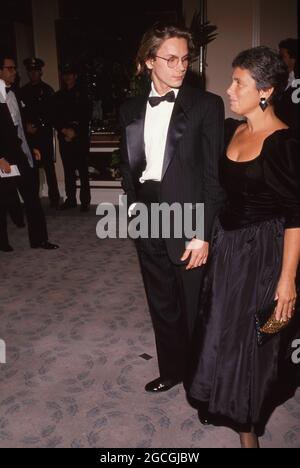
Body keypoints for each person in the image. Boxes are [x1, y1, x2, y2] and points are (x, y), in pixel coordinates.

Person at [186, 46, 300, 448]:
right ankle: (226, 402)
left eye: (239, 82)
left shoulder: (283, 142)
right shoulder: (236, 129)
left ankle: (247, 428)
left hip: (262, 252)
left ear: (265, 90)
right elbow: (219, 191)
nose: (229, 89)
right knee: (221, 329)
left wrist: (287, 280)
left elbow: (295, 217)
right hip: (228, 246)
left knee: (254, 342)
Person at [120, 24, 224, 393]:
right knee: (161, 299)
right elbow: (129, 167)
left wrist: (202, 233)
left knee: (196, 306)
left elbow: (214, 179)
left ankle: (204, 383)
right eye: (170, 59)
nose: (181, 67)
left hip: (188, 216)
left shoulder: (206, 105)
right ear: (149, 61)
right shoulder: (130, 108)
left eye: (184, 59)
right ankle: (172, 369)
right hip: (146, 214)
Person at [0, 54, 59, 251]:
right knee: (3, 200)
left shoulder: (15, 94)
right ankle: (2, 242)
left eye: (14, 68)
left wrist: (30, 146)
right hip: (3, 155)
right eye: (9, 68)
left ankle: (39, 239)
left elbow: (20, 127)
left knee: (32, 197)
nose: (14, 71)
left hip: (19, 152)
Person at [20, 57, 60, 208]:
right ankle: (34, 199)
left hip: (43, 134)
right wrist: (26, 126)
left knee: (49, 168)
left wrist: (38, 124)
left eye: (36, 71)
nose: (33, 74)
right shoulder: (22, 91)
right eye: (30, 71)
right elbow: (20, 114)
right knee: (32, 168)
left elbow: (52, 114)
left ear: (40, 72)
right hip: (29, 136)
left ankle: (54, 198)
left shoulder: (47, 90)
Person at [51, 64, 92, 212]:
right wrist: (64, 131)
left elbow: (86, 116)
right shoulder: (58, 96)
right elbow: (54, 117)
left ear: (75, 76)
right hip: (64, 137)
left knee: (82, 171)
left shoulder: (84, 94)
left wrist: (74, 132)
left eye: (70, 74)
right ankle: (71, 200)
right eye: (65, 74)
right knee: (68, 171)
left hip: (79, 137)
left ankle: (85, 202)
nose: (67, 77)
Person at [276, 38, 298, 129]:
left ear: (293, 59)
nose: (279, 60)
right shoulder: (278, 79)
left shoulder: (297, 82)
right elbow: (265, 105)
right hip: (277, 130)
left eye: (282, 56)